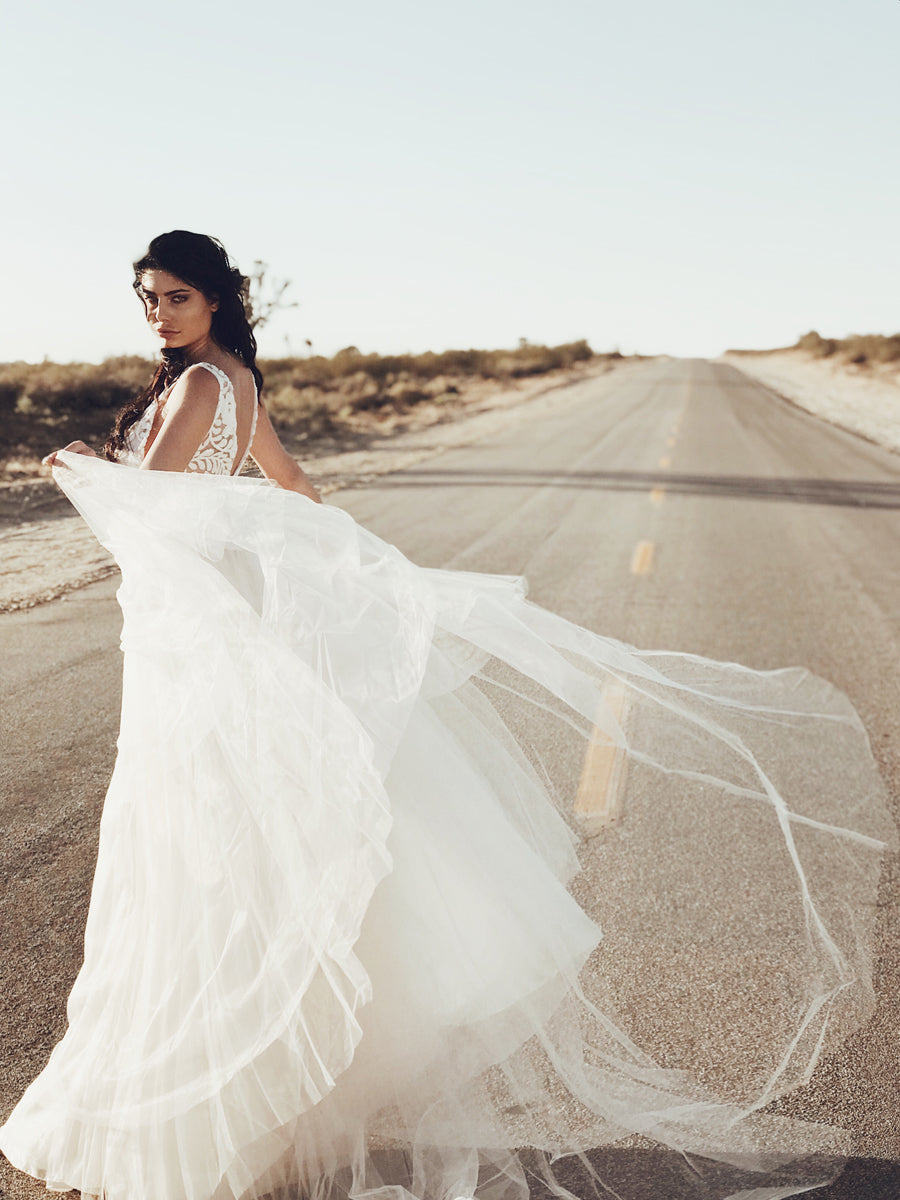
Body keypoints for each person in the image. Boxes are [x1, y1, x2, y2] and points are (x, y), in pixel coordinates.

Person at [0, 231, 893, 1200]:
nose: (157, 314)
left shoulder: (198, 388)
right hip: (202, 633)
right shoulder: (239, 383)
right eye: (146, 299)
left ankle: (184, 1117)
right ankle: (232, 1106)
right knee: (225, 852)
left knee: (192, 855)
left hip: (189, 644)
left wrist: (81, 469)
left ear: (214, 299)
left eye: (174, 297)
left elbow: (160, 508)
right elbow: (293, 486)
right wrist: (332, 568)